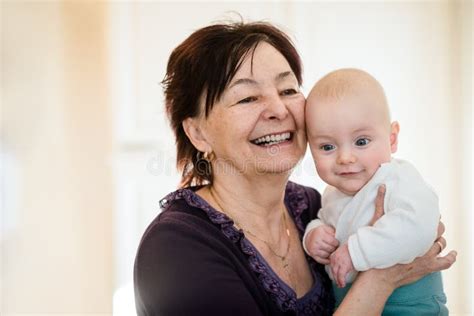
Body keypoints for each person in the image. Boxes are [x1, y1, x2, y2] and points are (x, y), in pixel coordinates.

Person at [133, 21, 456, 316]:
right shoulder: (176, 249)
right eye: (247, 98)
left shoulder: (313, 208)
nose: (278, 109)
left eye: (288, 90)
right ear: (198, 133)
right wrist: (380, 279)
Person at [303, 68, 448, 315]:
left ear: (391, 139)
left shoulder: (398, 179)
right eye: (327, 146)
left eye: (361, 142)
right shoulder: (332, 193)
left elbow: (418, 227)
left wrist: (355, 250)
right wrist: (314, 235)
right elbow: (325, 220)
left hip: (410, 306)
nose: (345, 158)